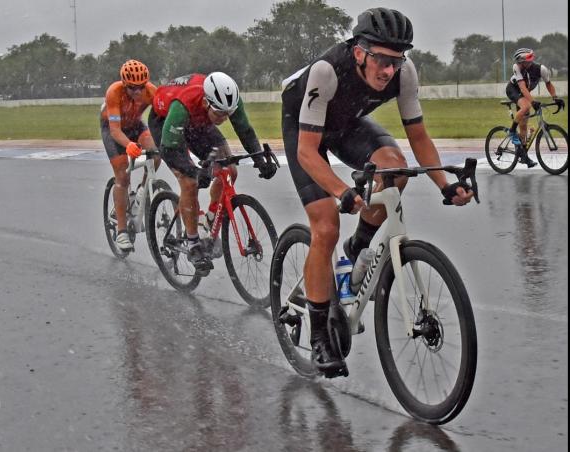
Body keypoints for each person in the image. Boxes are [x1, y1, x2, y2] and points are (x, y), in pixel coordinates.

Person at [279, 8, 475, 378]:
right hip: (304, 130)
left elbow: (418, 136)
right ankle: (320, 335)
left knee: (394, 169)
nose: (389, 70)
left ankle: (357, 249)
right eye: (382, 60)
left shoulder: (404, 74)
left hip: (346, 124)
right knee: (325, 226)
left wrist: (446, 185)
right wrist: (341, 192)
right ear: (359, 53)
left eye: (396, 60)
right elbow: (307, 152)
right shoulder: (326, 72)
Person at [149, 71, 277, 272]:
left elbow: (245, 131)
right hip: (166, 125)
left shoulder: (228, 102)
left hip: (199, 123)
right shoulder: (183, 105)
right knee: (189, 182)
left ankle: (208, 219)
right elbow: (169, 148)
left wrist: (260, 160)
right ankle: (193, 244)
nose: (225, 119)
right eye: (220, 114)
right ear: (206, 103)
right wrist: (195, 170)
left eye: (228, 114)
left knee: (229, 170)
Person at [101, 59, 159, 251]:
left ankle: (143, 190)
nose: (137, 92)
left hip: (135, 125)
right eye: (132, 88)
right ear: (125, 85)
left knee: (156, 151)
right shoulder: (114, 93)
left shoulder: (151, 92)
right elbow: (116, 131)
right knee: (123, 175)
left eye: (140, 87)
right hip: (114, 130)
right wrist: (129, 146)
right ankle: (121, 231)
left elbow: (162, 118)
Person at [505, 48, 565, 167]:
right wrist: (532, 102)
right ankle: (511, 131)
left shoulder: (541, 69)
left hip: (524, 93)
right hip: (513, 90)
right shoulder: (516, 67)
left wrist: (555, 97)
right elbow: (522, 88)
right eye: (522, 62)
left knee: (524, 127)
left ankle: (523, 156)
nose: (523, 64)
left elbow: (548, 83)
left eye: (526, 61)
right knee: (527, 106)